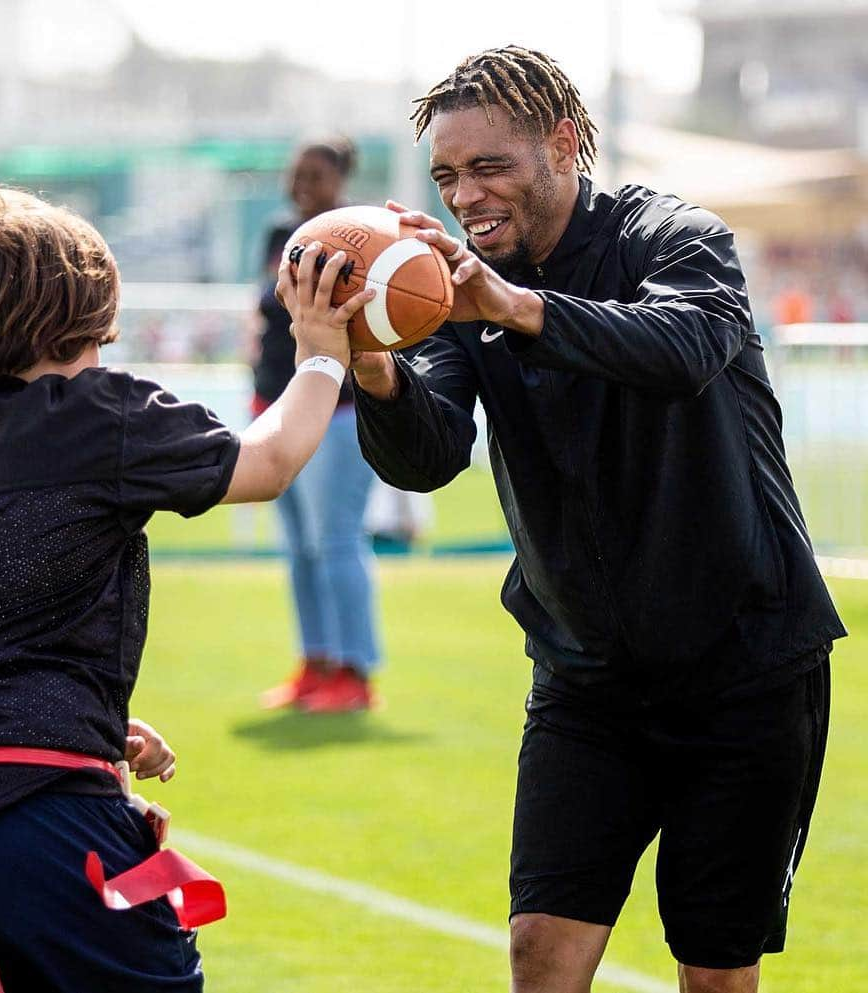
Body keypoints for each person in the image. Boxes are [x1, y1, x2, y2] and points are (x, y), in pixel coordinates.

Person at [347, 47, 845, 993]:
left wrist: (516, 305)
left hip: (743, 668)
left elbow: (687, 343)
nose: (466, 196)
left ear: (563, 143)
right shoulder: (458, 285)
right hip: (585, 678)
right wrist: (374, 362)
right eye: (447, 175)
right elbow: (428, 453)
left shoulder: (673, 235)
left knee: (715, 972)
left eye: (489, 166)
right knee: (541, 950)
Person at [0, 178, 372, 993]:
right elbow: (266, 460)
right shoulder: (89, 412)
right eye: (96, 336)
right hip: (34, 822)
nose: (101, 356)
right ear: (56, 326)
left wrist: (81, 707)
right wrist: (323, 348)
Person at [251, 138, 383, 712]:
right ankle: (316, 663)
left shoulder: (356, 238)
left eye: (317, 175)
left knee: (335, 541)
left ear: (341, 181)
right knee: (302, 549)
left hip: (340, 412)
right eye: (297, 172)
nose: (303, 183)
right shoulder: (281, 236)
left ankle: (354, 676)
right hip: (274, 405)